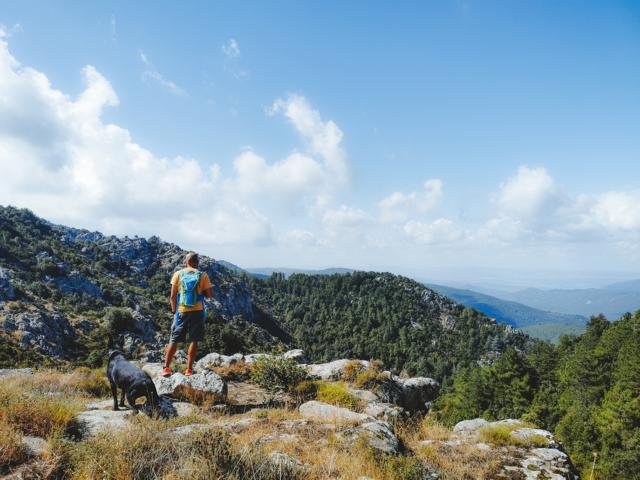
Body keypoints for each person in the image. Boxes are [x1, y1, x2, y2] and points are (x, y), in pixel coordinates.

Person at [162, 251, 213, 377]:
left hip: (182, 311)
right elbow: (210, 295)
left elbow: (173, 297)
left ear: (186, 262)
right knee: (194, 340)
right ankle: (189, 370)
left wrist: (174, 311)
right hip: (198, 311)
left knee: (174, 340)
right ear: (196, 263)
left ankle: (166, 368)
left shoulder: (178, 274)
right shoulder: (202, 275)